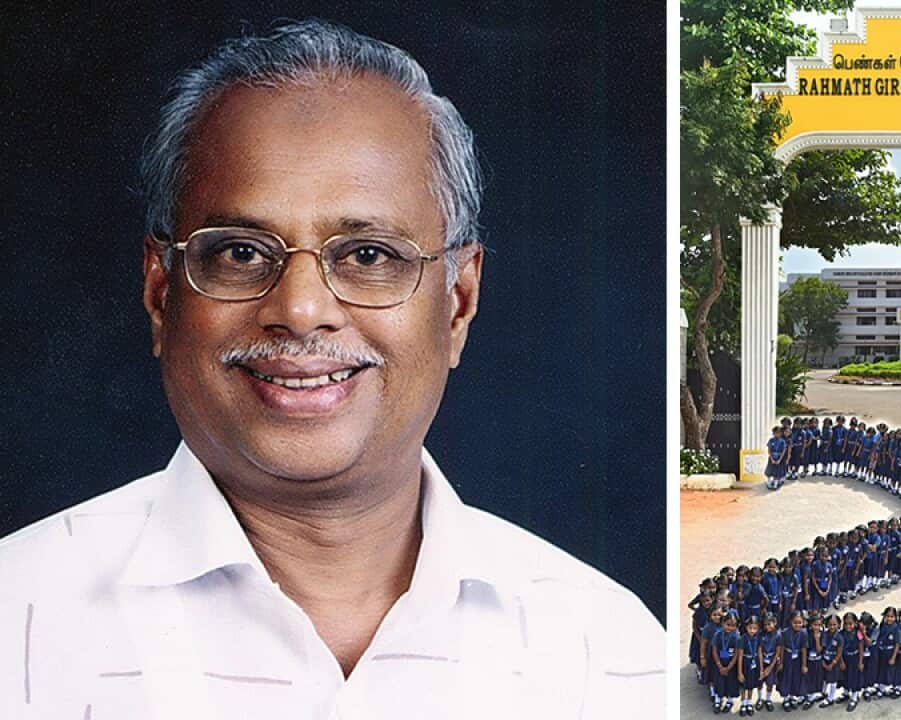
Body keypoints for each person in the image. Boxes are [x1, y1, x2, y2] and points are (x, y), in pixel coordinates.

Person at [0, 20, 661, 718]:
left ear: (458, 303)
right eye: (241, 253)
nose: (302, 308)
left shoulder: (607, 657)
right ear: (161, 292)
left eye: (370, 255)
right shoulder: (18, 622)